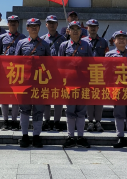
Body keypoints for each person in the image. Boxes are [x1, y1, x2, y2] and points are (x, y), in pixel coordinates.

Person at [15, 18, 51, 148]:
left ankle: (36, 136)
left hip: (39, 83)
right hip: (25, 83)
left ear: (39, 28)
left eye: (36, 26)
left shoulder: (45, 44)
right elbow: (16, 62)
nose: (34, 28)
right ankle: (24, 136)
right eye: (31, 26)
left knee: (38, 110)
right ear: (27, 28)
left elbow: (49, 64)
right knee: (24, 110)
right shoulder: (21, 43)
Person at [59, 21, 92, 149]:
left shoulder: (86, 45)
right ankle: (70, 137)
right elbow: (59, 65)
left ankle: (80, 137)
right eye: (72, 29)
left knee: (81, 111)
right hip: (69, 83)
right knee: (70, 111)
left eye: (77, 29)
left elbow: (91, 63)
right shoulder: (64, 45)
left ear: (81, 31)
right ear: (68, 31)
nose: (75, 31)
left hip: (83, 83)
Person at [107, 31, 127, 149]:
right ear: (114, 41)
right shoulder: (109, 55)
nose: (121, 40)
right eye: (119, 38)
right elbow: (106, 72)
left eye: (123, 38)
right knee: (119, 113)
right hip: (117, 88)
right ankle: (120, 136)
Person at [0, 15, 26, 131]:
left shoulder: (23, 38)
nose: (13, 24)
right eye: (11, 22)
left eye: (15, 22)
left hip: (17, 71)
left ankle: (14, 121)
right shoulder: (2, 37)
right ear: (8, 23)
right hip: (5, 71)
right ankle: (5, 121)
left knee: (16, 97)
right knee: (4, 97)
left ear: (18, 24)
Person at [40, 15, 66, 132]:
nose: (51, 25)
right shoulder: (42, 39)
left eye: (53, 23)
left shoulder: (63, 39)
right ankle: (46, 120)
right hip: (45, 73)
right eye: (49, 23)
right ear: (46, 25)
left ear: (57, 25)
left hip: (59, 73)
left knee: (58, 98)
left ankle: (56, 121)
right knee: (46, 98)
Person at [83, 19, 109, 133]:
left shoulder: (104, 42)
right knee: (89, 98)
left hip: (100, 73)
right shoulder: (83, 41)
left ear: (98, 28)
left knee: (98, 98)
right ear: (87, 28)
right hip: (87, 73)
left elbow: (107, 57)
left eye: (95, 26)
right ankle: (90, 121)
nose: (93, 28)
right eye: (90, 26)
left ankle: (98, 121)